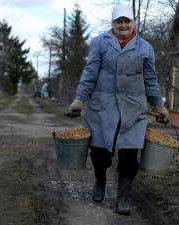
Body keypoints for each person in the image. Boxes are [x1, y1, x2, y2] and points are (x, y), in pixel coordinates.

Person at [67, 4, 169, 215]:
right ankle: (100, 180)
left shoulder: (145, 48)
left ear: (134, 24)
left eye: (127, 21)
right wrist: (79, 99)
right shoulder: (100, 43)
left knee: (130, 156)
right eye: (119, 22)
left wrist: (158, 105)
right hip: (102, 106)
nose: (123, 25)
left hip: (133, 108)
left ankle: (123, 196)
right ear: (112, 24)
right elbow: (90, 72)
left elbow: (150, 79)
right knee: (100, 152)